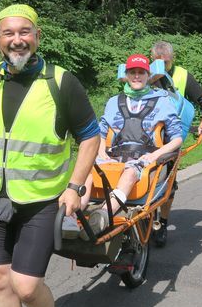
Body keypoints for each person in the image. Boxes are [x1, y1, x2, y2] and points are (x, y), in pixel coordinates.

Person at [0, 4, 100, 307]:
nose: (17, 39)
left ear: (37, 36)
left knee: (25, 286)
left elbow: (90, 137)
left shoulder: (61, 82)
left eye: (24, 32)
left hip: (42, 200)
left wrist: (75, 186)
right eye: (8, 33)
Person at [78, 54, 183, 249]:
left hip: (142, 159)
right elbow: (99, 133)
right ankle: (72, 215)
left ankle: (102, 216)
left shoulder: (162, 102)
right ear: (126, 75)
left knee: (129, 173)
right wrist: (101, 152)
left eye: (141, 73)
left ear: (148, 76)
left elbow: (177, 138)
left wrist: (155, 155)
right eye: (132, 72)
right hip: (114, 156)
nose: (136, 76)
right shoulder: (113, 102)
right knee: (88, 173)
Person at [149, 41, 202, 247]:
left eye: (166, 63)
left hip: (171, 141)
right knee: (144, 184)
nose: (162, 67)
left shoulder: (183, 75)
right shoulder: (144, 74)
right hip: (146, 140)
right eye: (158, 62)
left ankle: (162, 223)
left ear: (172, 59)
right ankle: (146, 221)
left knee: (167, 187)